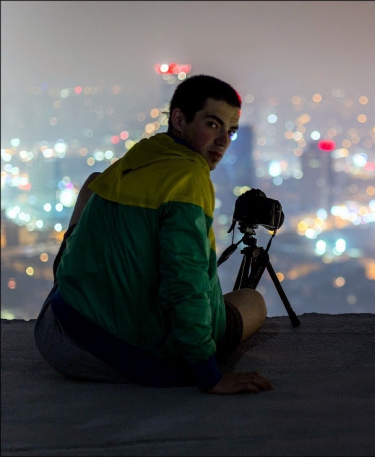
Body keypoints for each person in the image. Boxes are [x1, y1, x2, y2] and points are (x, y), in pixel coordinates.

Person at [34, 75, 273, 395]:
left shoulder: (144, 154)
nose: (223, 142)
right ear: (179, 119)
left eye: (230, 131)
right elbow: (185, 280)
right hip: (113, 356)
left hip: (57, 327)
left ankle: (78, 286)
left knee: (94, 181)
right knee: (252, 301)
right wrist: (209, 375)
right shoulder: (189, 177)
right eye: (212, 124)